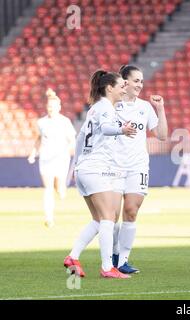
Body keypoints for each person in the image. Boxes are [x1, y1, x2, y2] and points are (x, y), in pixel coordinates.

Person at [63, 70, 137, 279]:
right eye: (121, 85)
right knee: (108, 218)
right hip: (96, 169)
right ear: (109, 88)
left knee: (98, 219)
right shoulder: (105, 107)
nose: (125, 89)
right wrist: (122, 130)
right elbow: (105, 129)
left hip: (85, 169)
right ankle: (107, 267)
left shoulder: (94, 109)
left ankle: (73, 256)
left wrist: (77, 164)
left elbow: (80, 139)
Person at [110, 65, 168, 274]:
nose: (140, 85)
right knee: (112, 215)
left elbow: (162, 135)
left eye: (141, 81)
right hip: (114, 166)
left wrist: (160, 109)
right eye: (136, 81)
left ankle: (123, 260)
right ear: (124, 82)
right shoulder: (112, 106)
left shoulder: (145, 107)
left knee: (131, 211)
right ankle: (112, 256)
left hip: (138, 166)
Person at [28, 88, 76, 227]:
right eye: (49, 106)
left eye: (53, 107)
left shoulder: (65, 121)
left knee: (60, 190)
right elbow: (38, 139)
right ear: (46, 107)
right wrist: (33, 153)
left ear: (59, 107)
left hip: (61, 158)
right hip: (46, 158)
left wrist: (65, 150)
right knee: (48, 188)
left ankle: (61, 190)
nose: (51, 109)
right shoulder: (41, 122)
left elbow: (72, 140)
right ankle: (49, 217)